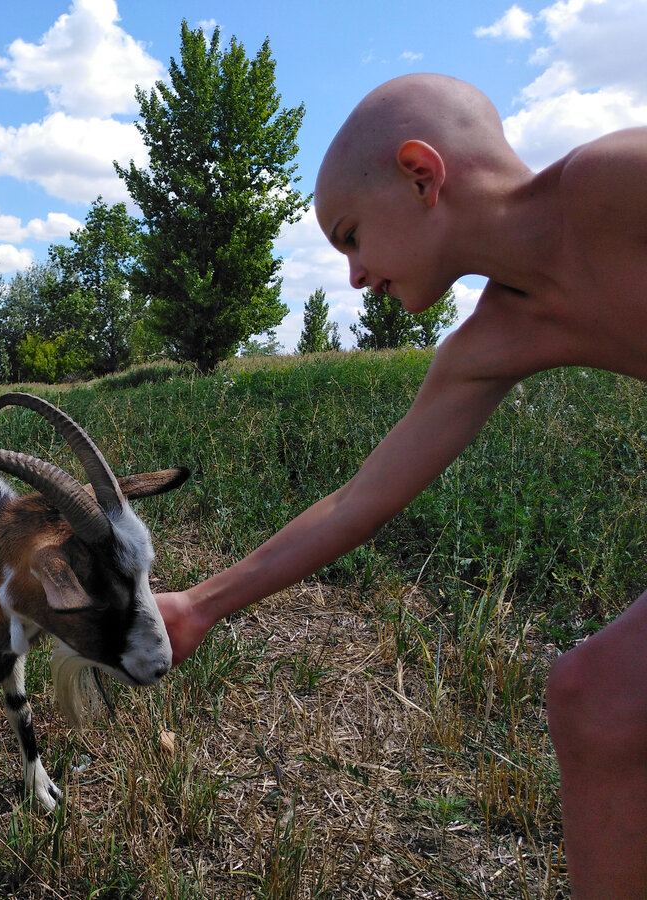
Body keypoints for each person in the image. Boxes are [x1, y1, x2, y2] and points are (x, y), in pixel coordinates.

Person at [155, 73, 647, 899]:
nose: (352, 278)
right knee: (595, 700)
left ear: (422, 176)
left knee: (598, 694)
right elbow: (358, 500)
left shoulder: (615, 184)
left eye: (349, 237)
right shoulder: (494, 341)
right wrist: (200, 604)